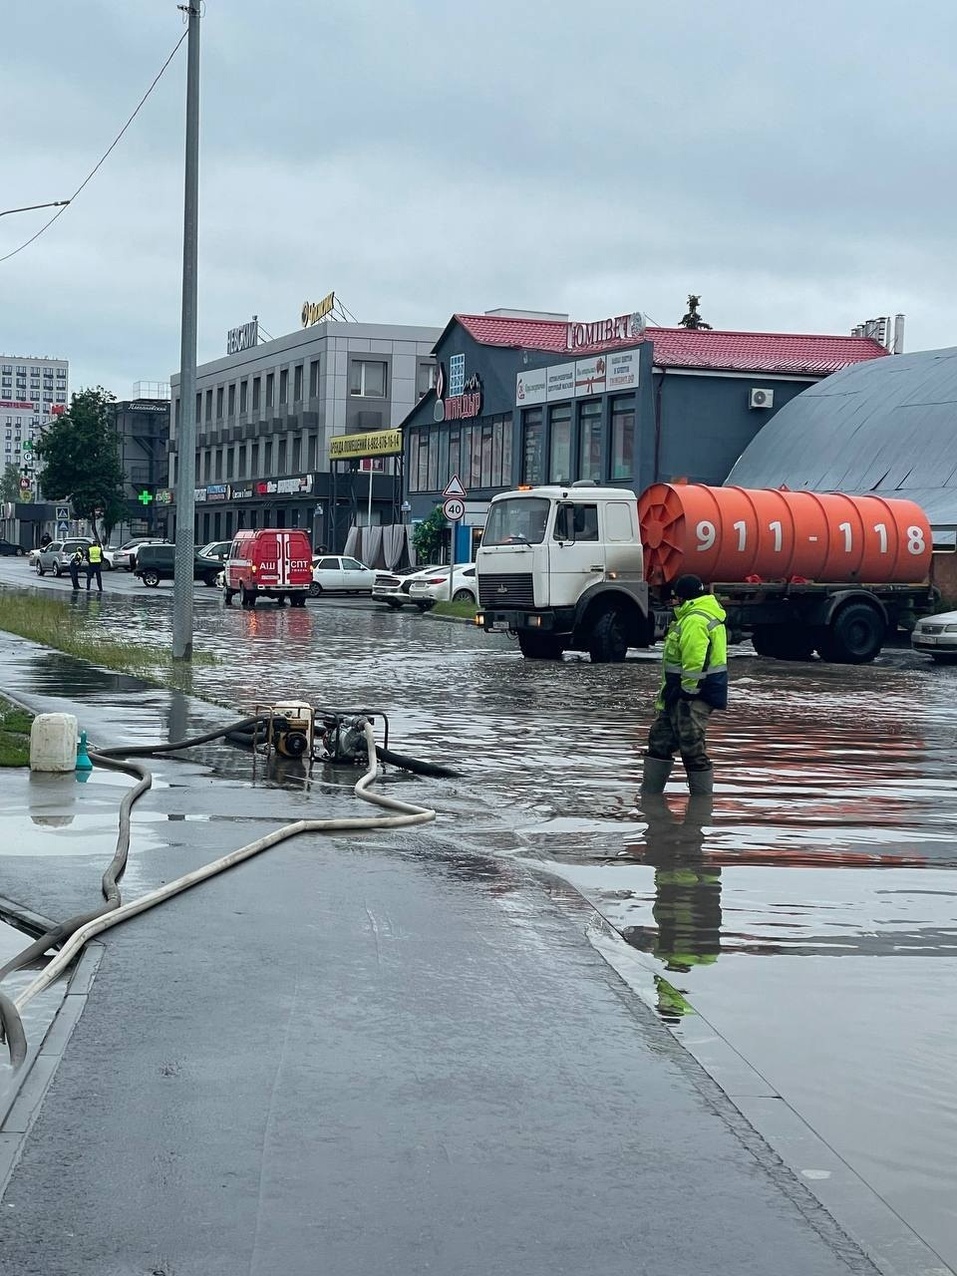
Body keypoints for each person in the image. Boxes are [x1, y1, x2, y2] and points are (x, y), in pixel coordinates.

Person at [641, 574, 727, 796]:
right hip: (678, 694)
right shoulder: (692, 616)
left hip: (693, 696)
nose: (673, 601)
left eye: (676, 597)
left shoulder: (695, 620)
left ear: (683, 596)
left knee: (692, 747)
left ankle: (701, 807)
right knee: (659, 741)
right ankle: (650, 799)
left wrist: (688, 693)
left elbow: (694, 661)